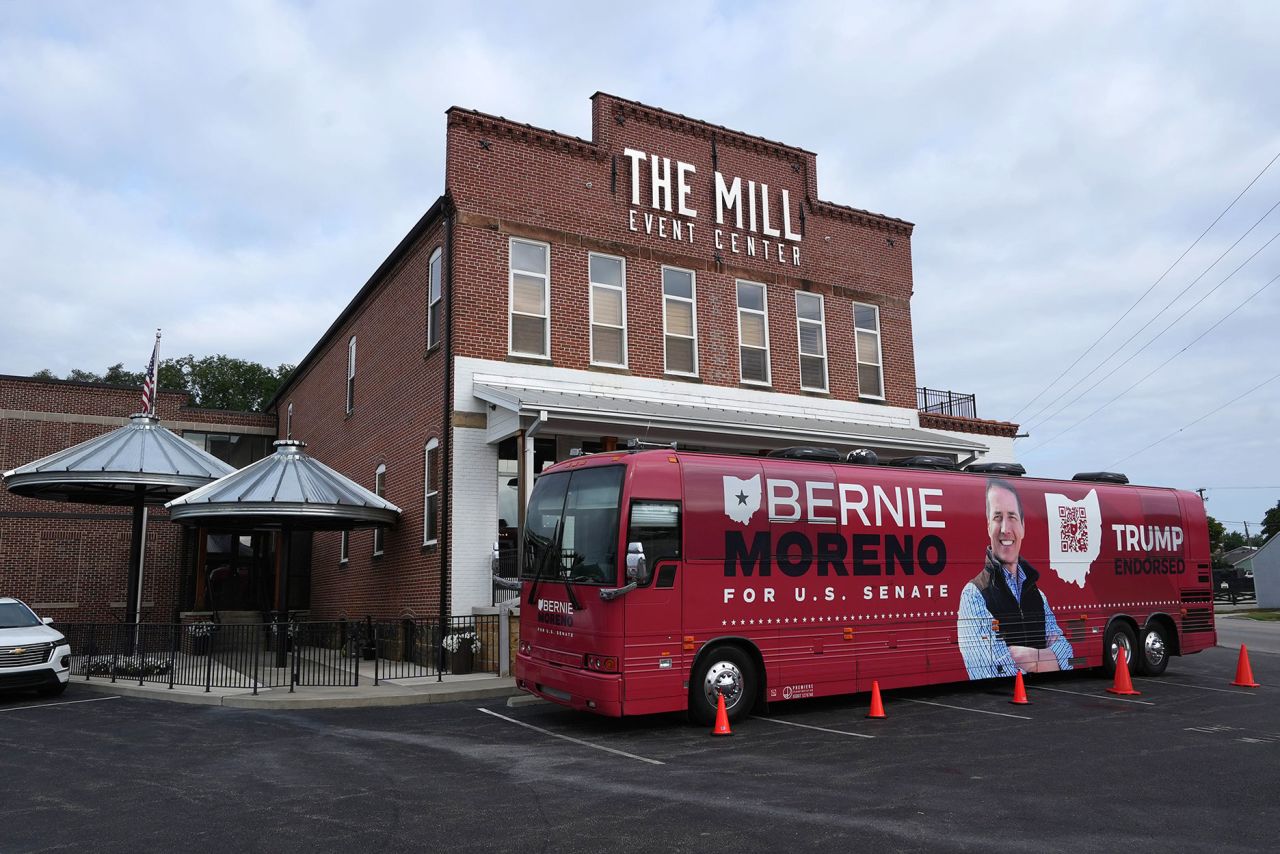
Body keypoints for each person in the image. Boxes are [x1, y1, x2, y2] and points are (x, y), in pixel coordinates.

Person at [957, 478, 1073, 679]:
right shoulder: (974, 594)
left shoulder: (1038, 595)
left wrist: (1030, 657)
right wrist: (1048, 659)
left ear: (1023, 526)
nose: (1005, 529)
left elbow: (1068, 655)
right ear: (987, 526)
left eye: (1011, 516)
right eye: (997, 517)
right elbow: (990, 670)